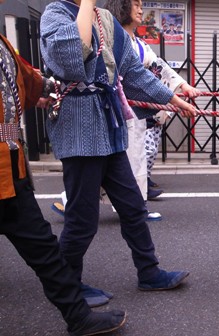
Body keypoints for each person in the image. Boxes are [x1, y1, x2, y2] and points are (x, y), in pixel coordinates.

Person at [40, 0, 196, 308]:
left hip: (108, 129)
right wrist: (86, 4)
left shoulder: (106, 19)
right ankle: (68, 285)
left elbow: (132, 71)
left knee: (133, 206)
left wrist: (171, 98)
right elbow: (72, 60)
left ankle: (149, 273)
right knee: (82, 219)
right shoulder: (55, 14)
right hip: (79, 132)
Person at [0, 0, 126, 333]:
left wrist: (46, 88)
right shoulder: (57, 14)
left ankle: (78, 315)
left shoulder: (2, 45)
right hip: (10, 170)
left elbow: (28, 79)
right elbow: (71, 58)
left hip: (11, 170)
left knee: (43, 247)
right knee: (71, 228)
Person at [104, 0, 200, 202]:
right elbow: (141, 77)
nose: (141, 10)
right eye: (136, 5)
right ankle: (74, 201)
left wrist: (183, 86)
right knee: (119, 161)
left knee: (134, 158)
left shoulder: (138, 43)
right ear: (122, 7)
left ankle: (135, 205)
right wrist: (175, 100)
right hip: (116, 112)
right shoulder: (113, 38)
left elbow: (158, 66)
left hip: (135, 113)